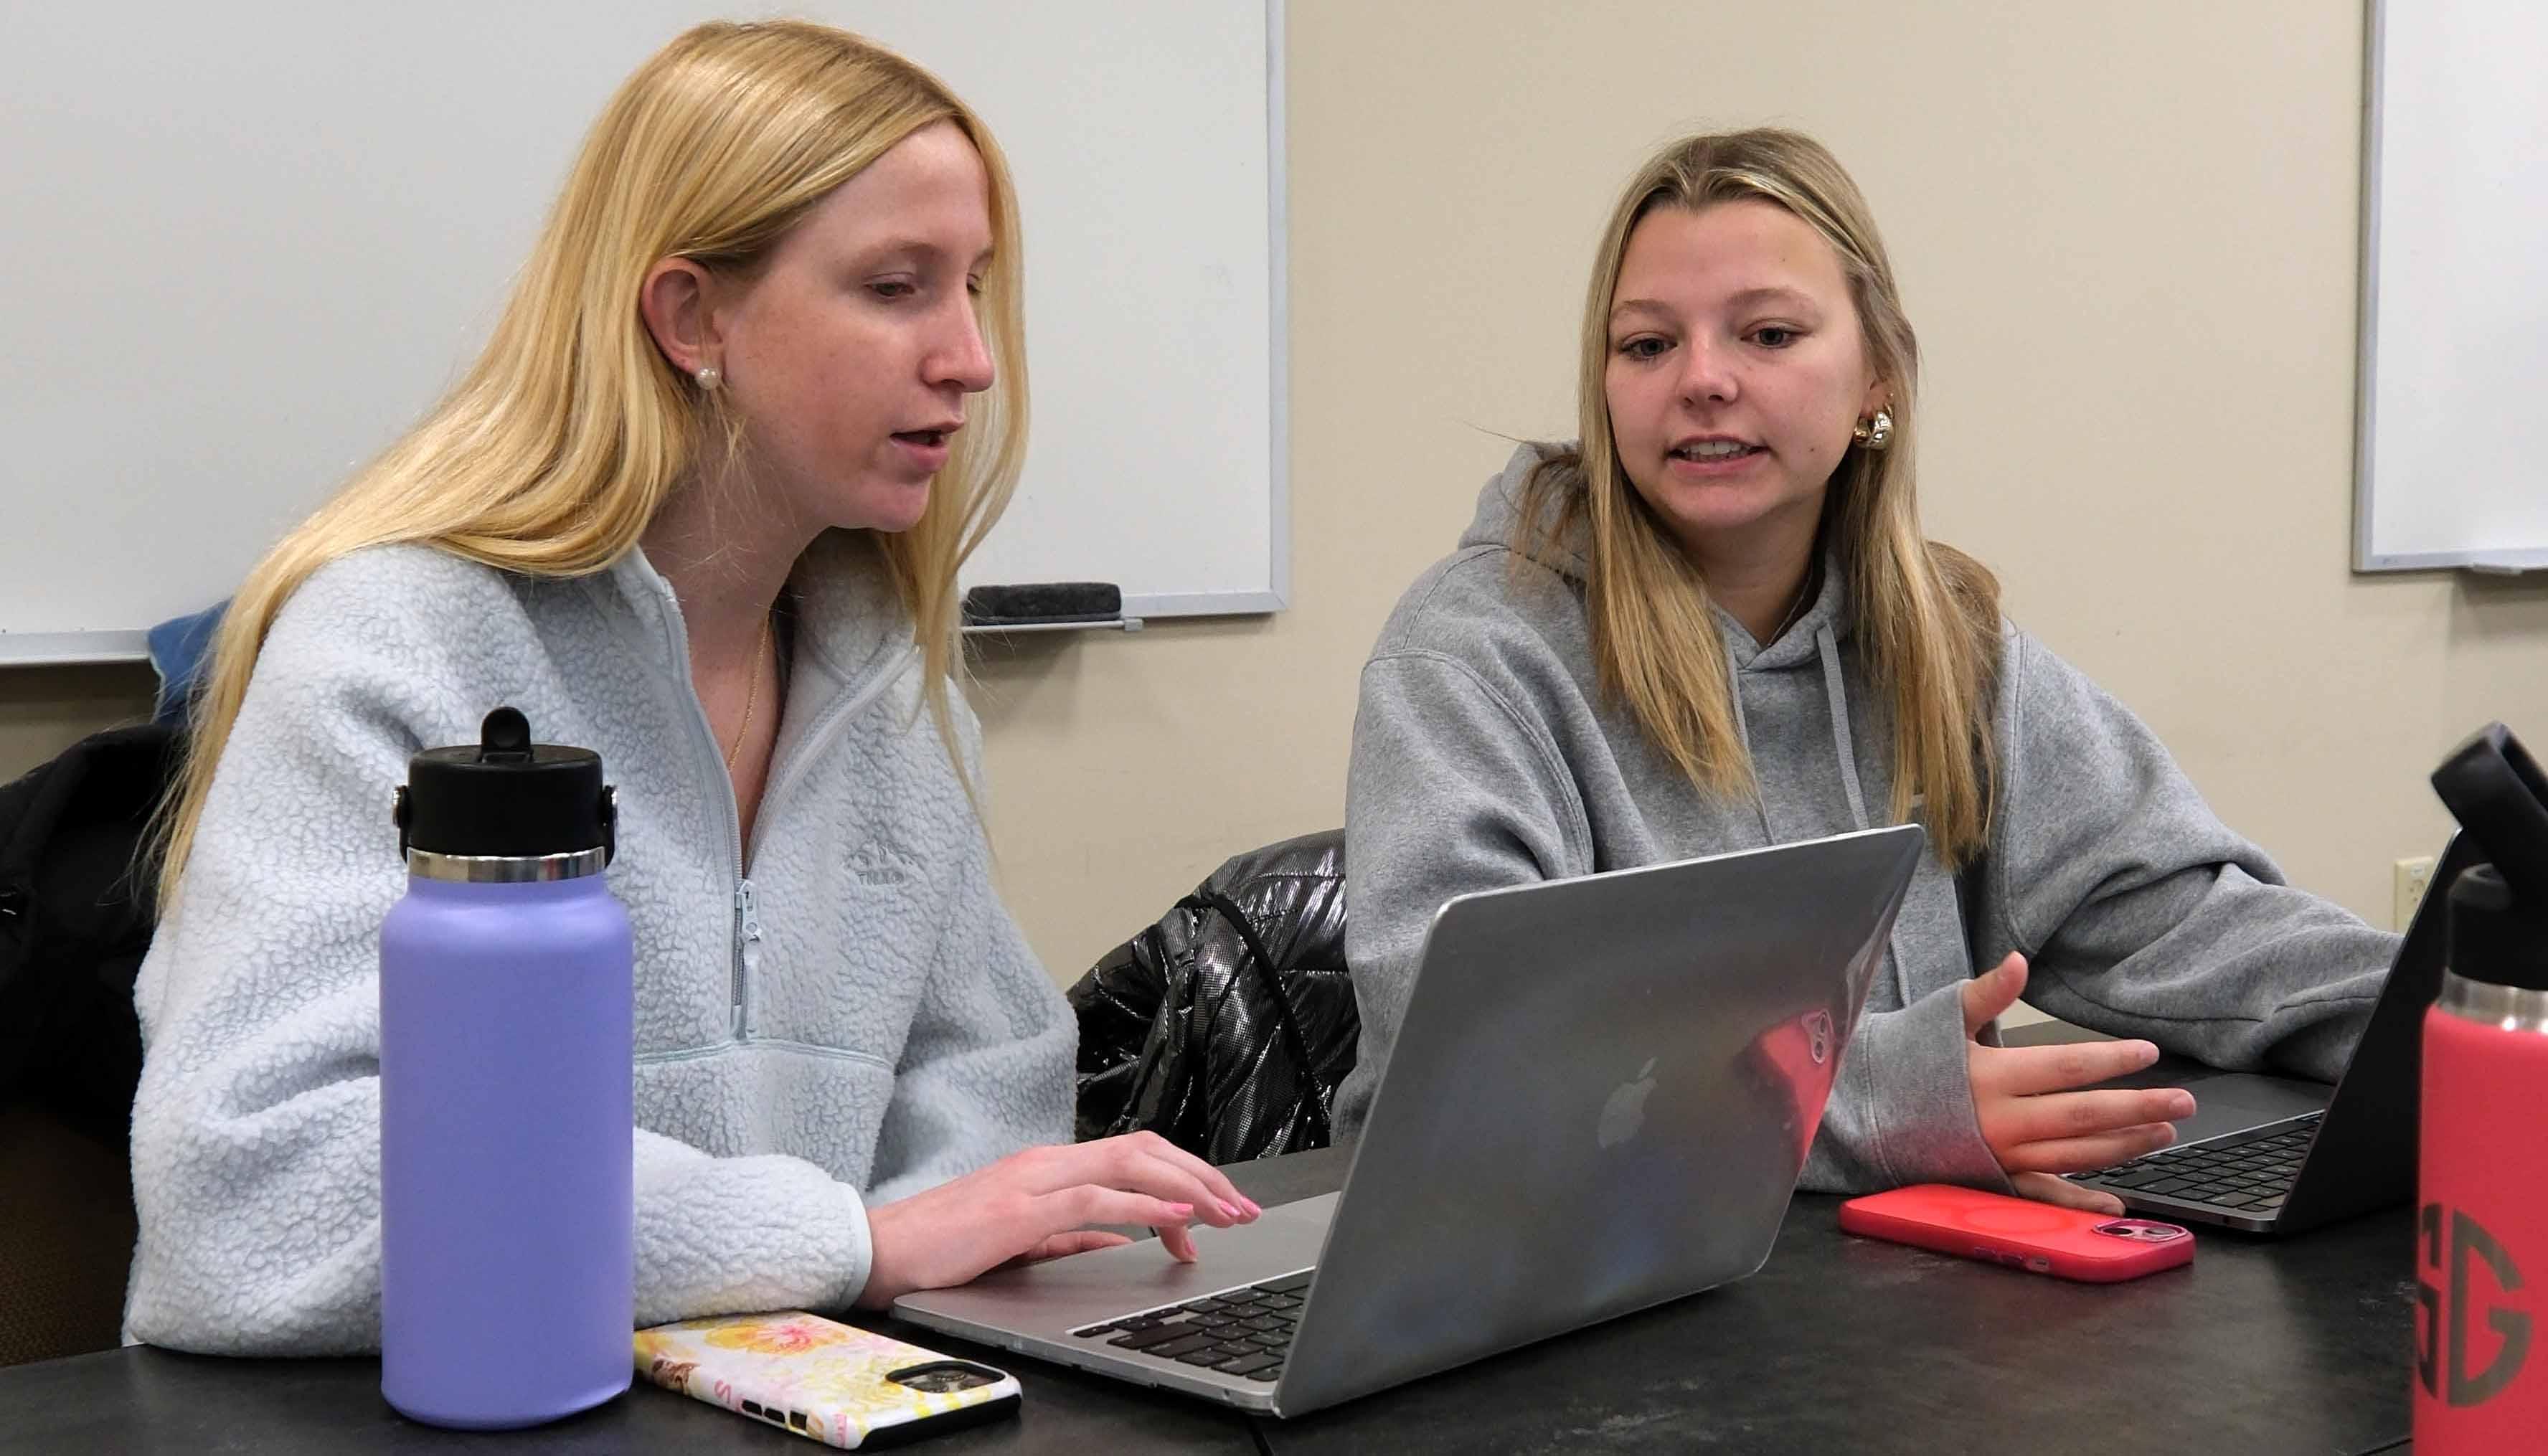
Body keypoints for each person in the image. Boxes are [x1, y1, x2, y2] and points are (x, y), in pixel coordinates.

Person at [127, 20, 1255, 1357]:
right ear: (690, 316)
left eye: (975, 286)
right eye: (899, 286)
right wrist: (856, 1246)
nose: (972, 356)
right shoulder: (393, 641)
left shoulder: (894, 688)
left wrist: (897, 1257)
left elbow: (986, 1103)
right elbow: (253, 1195)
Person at [1336, 128, 2397, 1211]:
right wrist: (1887, 1103)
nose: (1703, 379)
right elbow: (1478, 1060)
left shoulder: (1947, 648)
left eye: (1769, 332)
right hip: (1532, 1294)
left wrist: (2461, 1015)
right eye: (1648, 345)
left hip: (1861, 1291)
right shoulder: (1471, 655)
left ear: (1876, 373)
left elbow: (2190, 922)